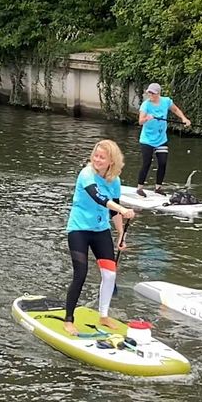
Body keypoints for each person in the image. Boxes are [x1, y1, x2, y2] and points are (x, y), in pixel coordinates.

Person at [63, 140, 136, 336]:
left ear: (111, 160)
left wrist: (121, 234)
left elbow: (114, 212)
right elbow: (99, 198)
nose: (97, 159)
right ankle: (68, 319)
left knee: (110, 274)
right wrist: (122, 209)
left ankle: (103, 315)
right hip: (79, 229)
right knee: (81, 273)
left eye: (102, 157)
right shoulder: (86, 174)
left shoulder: (115, 180)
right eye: (95, 155)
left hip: (100, 230)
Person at [136, 82, 191, 196]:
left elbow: (175, 110)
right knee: (146, 163)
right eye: (149, 93)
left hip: (161, 139)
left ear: (158, 93)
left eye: (153, 93)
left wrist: (184, 118)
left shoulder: (166, 101)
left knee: (163, 162)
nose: (150, 95)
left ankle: (158, 188)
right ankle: (140, 188)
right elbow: (140, 121)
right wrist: (147, 118)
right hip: (147, 140)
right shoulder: (146, 105)